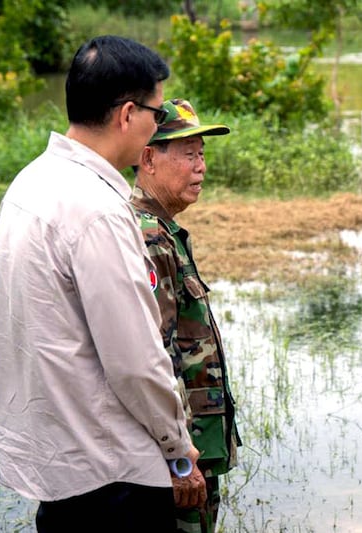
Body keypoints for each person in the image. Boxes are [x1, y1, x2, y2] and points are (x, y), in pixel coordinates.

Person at [0, 35, 198, 533]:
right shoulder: (98, 209)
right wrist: (176, 442)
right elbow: (135, 360)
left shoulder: (29, 183)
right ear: (128, 114)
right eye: (155, 111)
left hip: (59, 467)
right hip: (113, 476)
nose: (156, 125)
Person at [131, 98, 241, 533]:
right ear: (149, 159)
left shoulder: (167, 231)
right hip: (179, 454)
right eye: (188, 154)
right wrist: (176, 456)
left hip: (195, 445)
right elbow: (150, 356)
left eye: (202, 155)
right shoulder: (149, 237)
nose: (201, 167)